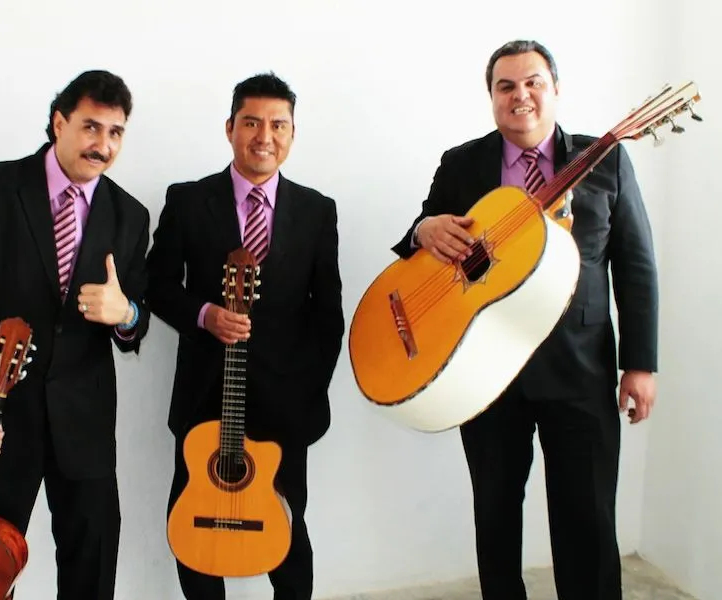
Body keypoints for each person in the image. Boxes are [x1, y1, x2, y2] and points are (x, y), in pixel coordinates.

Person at [392, 40, 659, 600]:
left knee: (587, 520)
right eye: (506, 86)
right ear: (491, 96)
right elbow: (423, 241)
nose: (521, 96)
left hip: (582, 371)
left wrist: (640, 365)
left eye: (533, 82)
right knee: (494, 518)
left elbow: (636, 266)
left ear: (555, 89)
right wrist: (423, 228)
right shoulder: (461, 163)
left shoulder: (605, 160)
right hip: (485, 373)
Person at [0, 69, 151, 600]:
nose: (103, 145)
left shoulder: (130, 215)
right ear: (59, 123)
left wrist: (125, 313)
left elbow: (135, 321)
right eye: (90, 127)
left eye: (115, 133)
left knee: (92, 569)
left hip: (84, 429)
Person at [145, 72, 344, 600]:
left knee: (286, 531)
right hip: (205, 397)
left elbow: (328, 315)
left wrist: (307, 391)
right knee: (195, 530)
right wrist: (204, 314)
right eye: (252, 122)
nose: (264, 136)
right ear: (230, 128)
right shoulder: (188, 201)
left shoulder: (317, 210)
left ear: (292, 134)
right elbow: (155, 284)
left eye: (278, 125)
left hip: (284, 404)